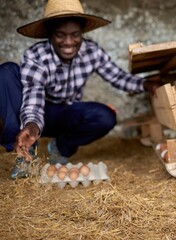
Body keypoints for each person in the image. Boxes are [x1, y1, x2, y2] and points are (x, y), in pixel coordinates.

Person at [0, 0, 162, 179]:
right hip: (35, 116)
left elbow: (117, 77)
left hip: (66, 114)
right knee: (7, 71)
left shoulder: (92, 52)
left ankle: (59, 148)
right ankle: (25, 152)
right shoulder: (35, 56)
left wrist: (145, 84)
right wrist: (31, 126)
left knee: (105, 116)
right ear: (49, 34)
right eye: (60, 35)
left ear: (82, 32)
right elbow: (33, 97)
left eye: (75, 34)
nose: (68, 42)